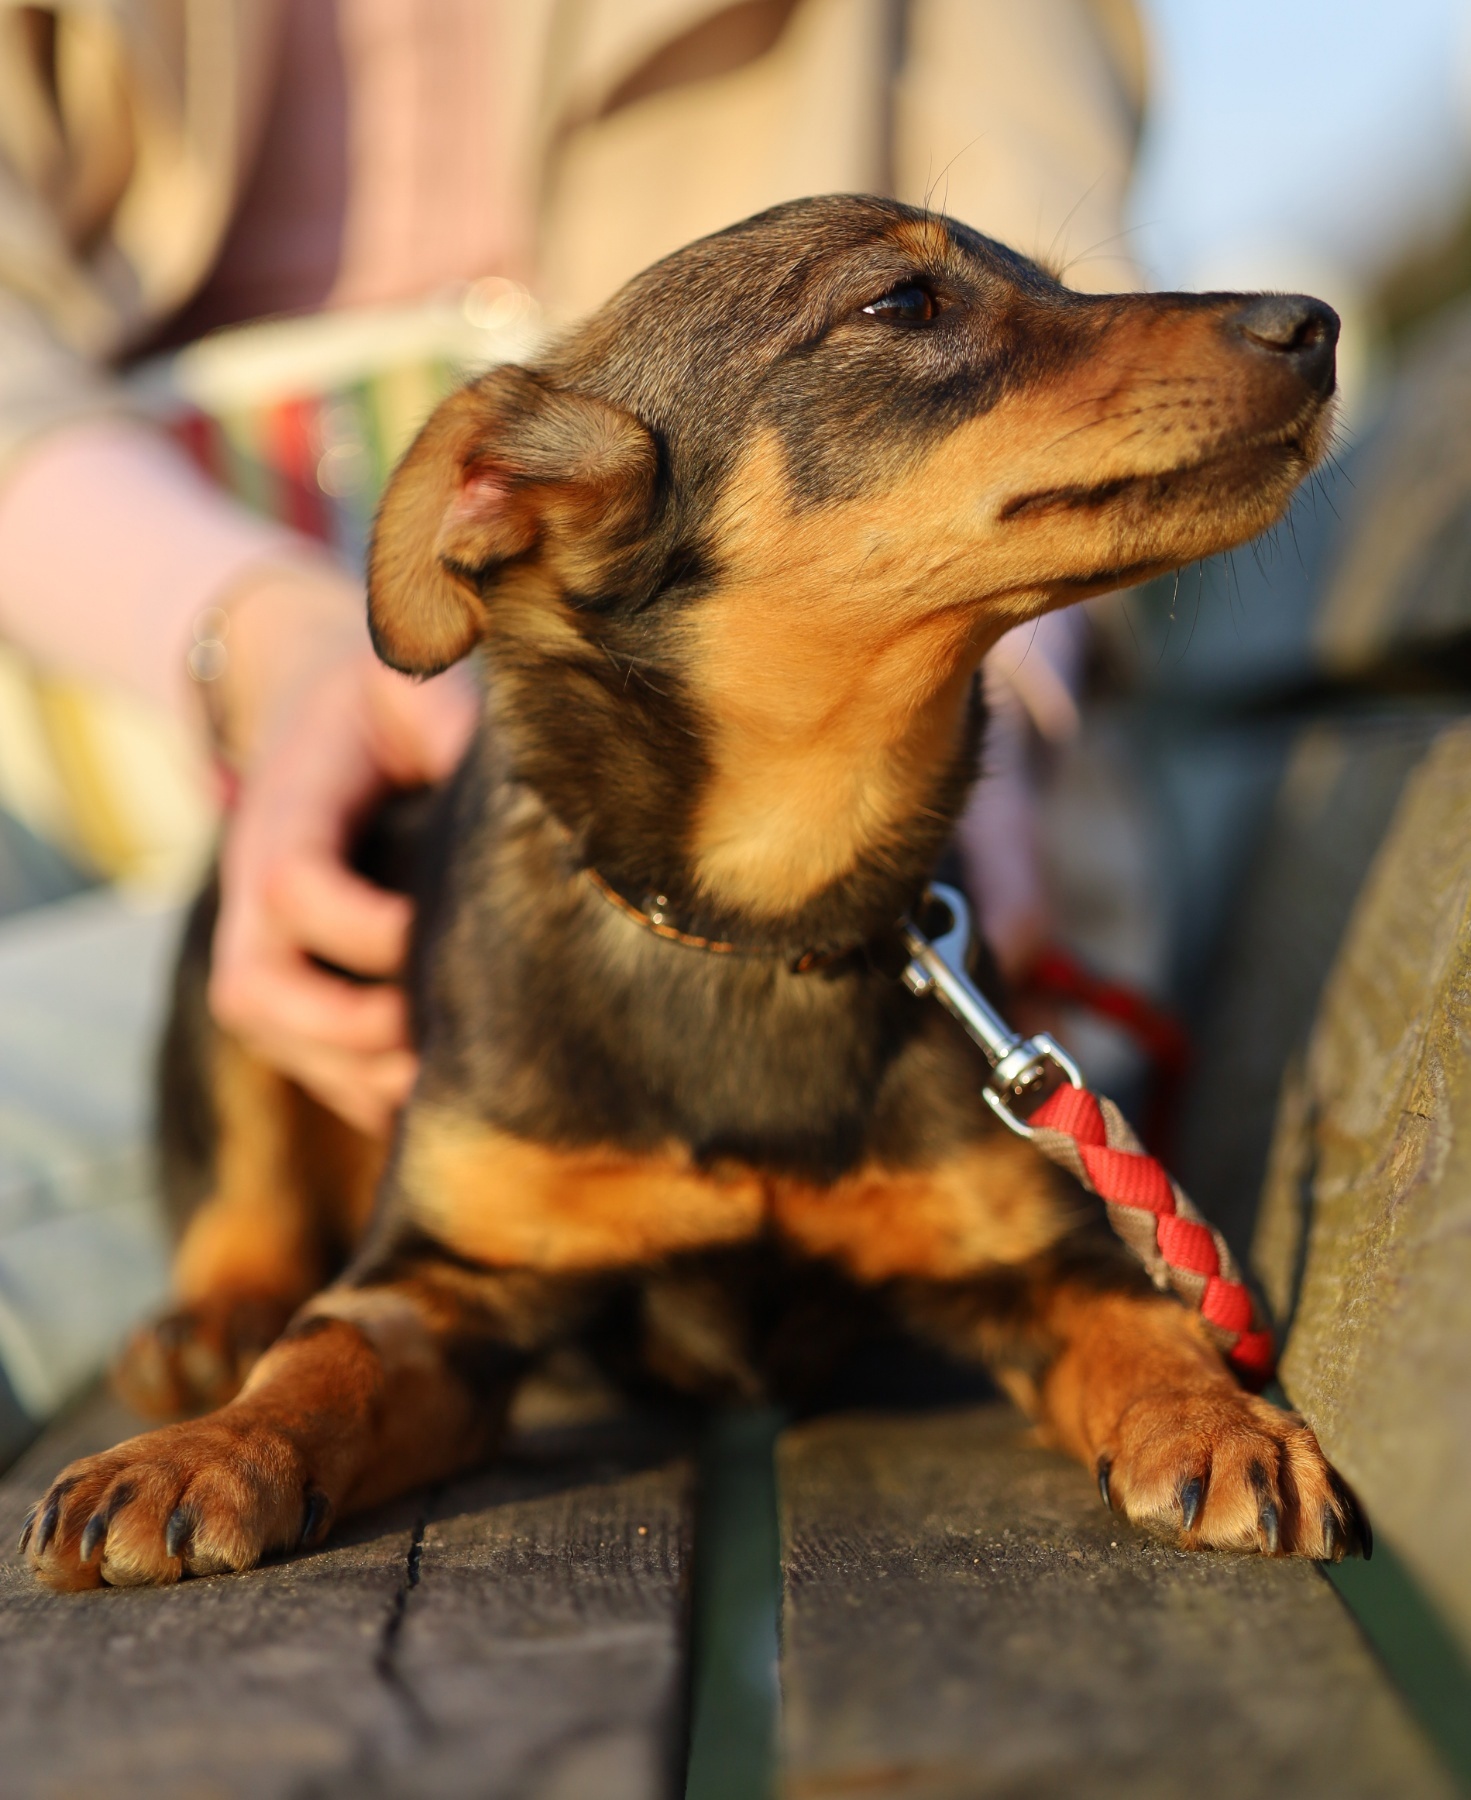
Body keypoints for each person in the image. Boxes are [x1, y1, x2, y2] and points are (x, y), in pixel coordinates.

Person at [0, 0, 1146, 1440]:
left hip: (806, 812)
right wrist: (263, 640)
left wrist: (980, 725)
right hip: (138, 773)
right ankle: (247, 1239)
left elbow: (1079, 344)